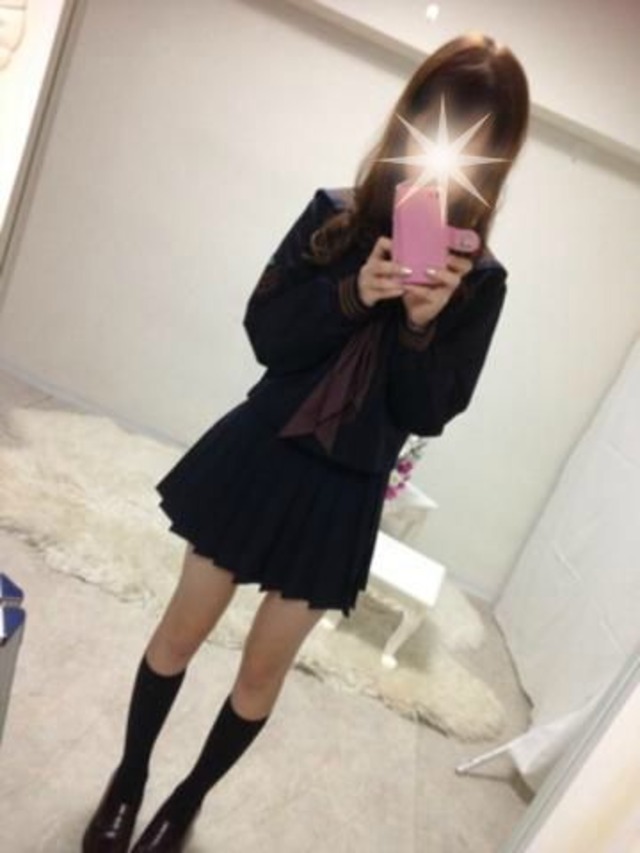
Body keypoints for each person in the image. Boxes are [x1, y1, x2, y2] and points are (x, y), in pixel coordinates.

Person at [82, 31, 529, 853]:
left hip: (343, 491)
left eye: (480, 134)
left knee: (261, 673)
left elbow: (428, 412)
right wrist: (354, 292)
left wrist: (422, 326)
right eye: (443, 118)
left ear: (495, 155)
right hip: (260, 452)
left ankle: (185, 800)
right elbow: (266, 333)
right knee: (181, 630)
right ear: (414, 116)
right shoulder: (335, 214)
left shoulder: (481, 282)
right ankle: (130, 776)